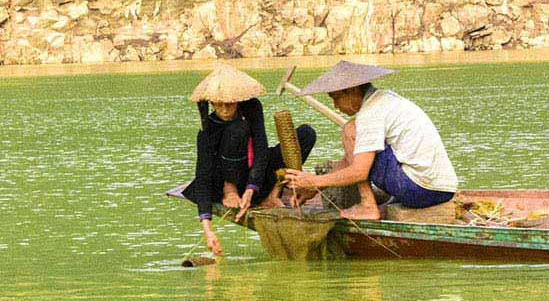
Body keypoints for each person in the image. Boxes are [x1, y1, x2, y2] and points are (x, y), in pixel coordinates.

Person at [285, 61, 458, 220]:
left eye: (335, 98)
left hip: (421, 189)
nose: (336, 106)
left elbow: (360, 170)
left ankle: (368, 206)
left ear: (352, 90)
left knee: (350, 130)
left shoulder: (370, 113)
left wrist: (314, 181)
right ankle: (371, 203)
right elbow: (349, 160)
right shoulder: (385, 99)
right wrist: (313, 190)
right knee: (357, 140)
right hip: (442, 189)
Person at [181, 64, 317, 255]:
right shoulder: (207, 130)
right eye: (218, 104)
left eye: (230, 103)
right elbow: (203, 176)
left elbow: (261, 150)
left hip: (254, 174)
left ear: (238, 99)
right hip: (224, 180)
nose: (225, 109)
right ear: (211, 102)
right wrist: (208, 230)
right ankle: (231, 190)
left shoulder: (252, 107)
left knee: (305, 134)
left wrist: (251, 189)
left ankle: (272, 194)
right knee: (237, 129)